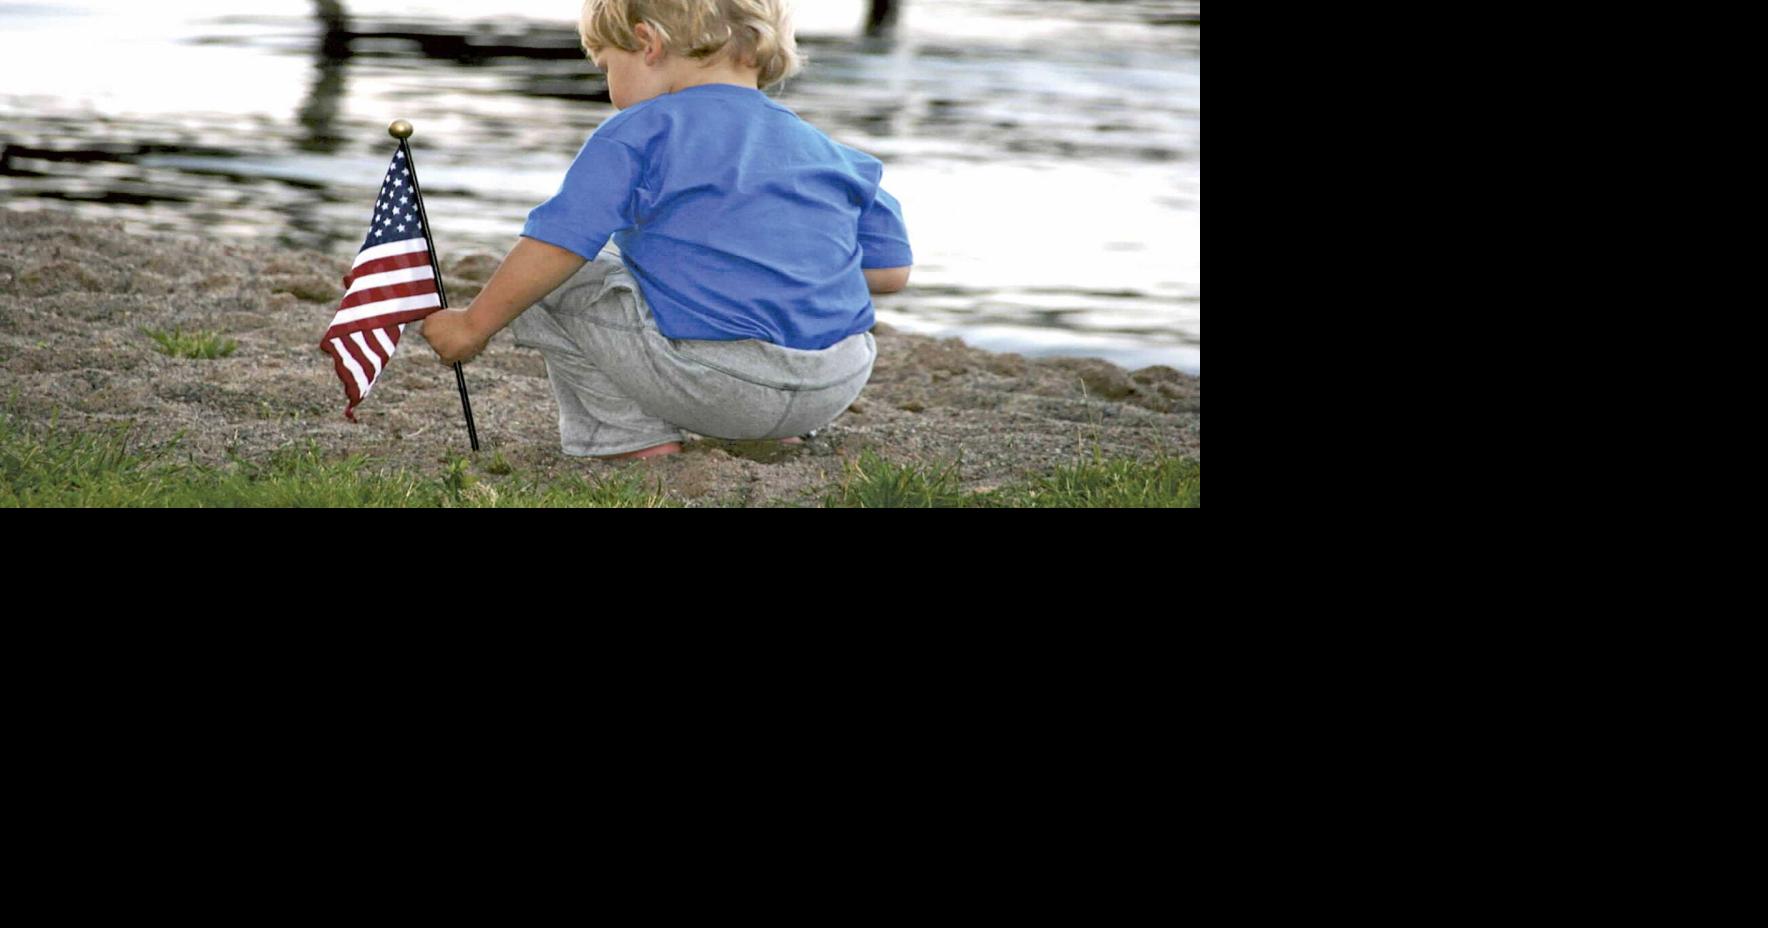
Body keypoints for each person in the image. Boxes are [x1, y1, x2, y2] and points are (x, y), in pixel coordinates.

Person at [420, 0, 913, 461]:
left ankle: (629, 439)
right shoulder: (832, 151)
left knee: (557, 276)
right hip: (835, 381)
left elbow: (558, 243)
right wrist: (778, 266)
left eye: (608, 66)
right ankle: (767, 437)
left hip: (723, 384)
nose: (610, 84)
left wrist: (473, 326)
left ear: (647, 44)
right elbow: (890, 273)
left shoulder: (640, 130)